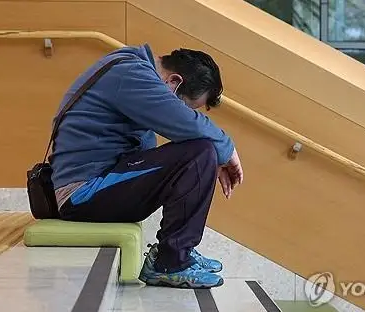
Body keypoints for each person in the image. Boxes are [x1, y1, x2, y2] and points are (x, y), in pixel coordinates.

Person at [48, 43, 244, 289]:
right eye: (186, 106)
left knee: (201, 152)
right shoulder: (130, 73)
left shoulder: (130, 69)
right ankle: (169, 263)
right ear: (174, 81)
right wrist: (226, 149)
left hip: (99, 183)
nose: (187, 112)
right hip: (83, 193)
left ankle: (175, 254)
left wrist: (207, 161)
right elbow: (186, 125)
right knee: (201, 150)